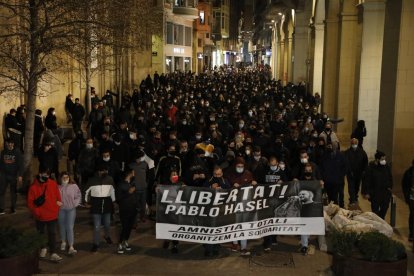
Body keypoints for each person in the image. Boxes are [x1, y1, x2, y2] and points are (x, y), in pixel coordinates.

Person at [27, 167, 63, 262]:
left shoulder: (53, 183)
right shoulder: (33, 187)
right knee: (41, 233)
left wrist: (56, 208)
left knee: (52, 233)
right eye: (45, 174)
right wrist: (37, 212)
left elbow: (58, 198)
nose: (46, 176)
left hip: (52, 214)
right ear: (39, 174)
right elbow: (30, 203)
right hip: (40, 216)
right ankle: (43, 248)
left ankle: (53, 252)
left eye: (48, 174)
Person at [85, 165, 116, 252]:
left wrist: (114, 201)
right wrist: (86, 202)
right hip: (96, 205)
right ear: (98, 171)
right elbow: (86, 191)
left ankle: (107, 236)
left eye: (106, 171)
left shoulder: (110, 179)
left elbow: (113, 190)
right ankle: (96, 244)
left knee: (107, 224)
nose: (105, 172)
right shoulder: (92, 180)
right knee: (97, 226)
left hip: (107, 205)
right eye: (103, 171)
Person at [362, 150, 393, 219]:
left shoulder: (386, 167)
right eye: (382, 159)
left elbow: (390, 178)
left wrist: (390, 187)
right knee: (375, 213)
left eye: (384, 159)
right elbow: (366, 181)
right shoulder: (370, 168)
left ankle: (381, 221)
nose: (384, 161)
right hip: (375, 194)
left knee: (384, 210)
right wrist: (366, 192)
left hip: (385, 193)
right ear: (377, 159)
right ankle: (378, 223)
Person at [58, 172, 81, 255]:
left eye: (66, 177)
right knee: (62, 226)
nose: (65, 179)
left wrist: (75, 203)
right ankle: (63, 241)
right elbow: (53, 197)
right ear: (60, 178)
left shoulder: (73, 186)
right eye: (63, 177)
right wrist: (56, 202)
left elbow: (78, 195)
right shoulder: (57, 187)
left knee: (69, 227)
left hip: (71, 210)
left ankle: (71, 245)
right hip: (61, 210)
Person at [116, 168, 137, 254]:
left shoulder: (132, 183)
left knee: (130, 227)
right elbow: (118, 198)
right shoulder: (120, 185)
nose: (134, 174)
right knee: (124, 227)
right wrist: (128, 192)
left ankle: (126, 241)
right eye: (133, 172)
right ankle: (120, 243)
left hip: (133, 209)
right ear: (129, 174)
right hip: (124, 209)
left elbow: (135, 196)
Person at [0, 138, 23, 214]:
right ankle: (1, 208)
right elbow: (1, 163)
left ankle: (13, 207)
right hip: (4, 175)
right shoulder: (3, 152)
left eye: (11, 143)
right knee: (1, 191)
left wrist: (20, 175)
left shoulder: (17, 152)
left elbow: (20, 164)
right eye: (8, 143)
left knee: (13, 192)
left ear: (13, 144)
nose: (10, 144)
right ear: (7, 143)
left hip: (13, 175)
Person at [320, 142, 346, 207]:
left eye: (335, 146)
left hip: (337, 181)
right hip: (328, 181)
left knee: (335, 197)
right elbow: (322, 166)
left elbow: (345, 167)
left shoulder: (341, 155)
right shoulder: (325, 155)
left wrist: (341, 176)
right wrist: (324, 177)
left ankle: (336, 209)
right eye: (332, 145)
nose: (333, 147)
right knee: (329, 196)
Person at [343, 138, 368, 208]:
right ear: (351, 144)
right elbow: (346, 163)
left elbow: (365, 162)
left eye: (355, 143)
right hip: (350, 173)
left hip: (359, 173)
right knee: (351, 187)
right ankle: (352, 200)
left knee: (357, 187)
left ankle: (355, 197)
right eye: (353, 143)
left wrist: (364, 171)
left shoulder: (362, 152)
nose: (354, 145)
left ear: (357, 144)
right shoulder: (347, 152)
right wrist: (348, 171)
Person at [402, 159, 414, 241]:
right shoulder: (409, 173)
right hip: (412, 198)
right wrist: (407, 197)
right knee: (413, 215)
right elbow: (405, 185)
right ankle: (412, 234)